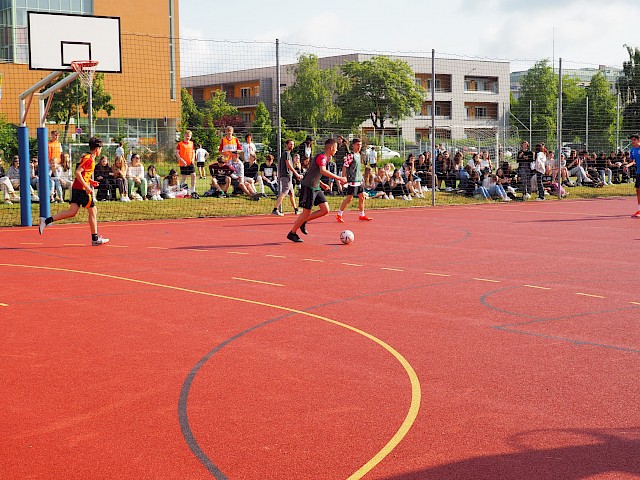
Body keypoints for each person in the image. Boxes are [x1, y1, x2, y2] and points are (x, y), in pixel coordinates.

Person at [38, 137, 109, 246]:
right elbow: (77, 172)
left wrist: (91, 181)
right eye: (100, 148)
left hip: (77, 188)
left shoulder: (88, 157)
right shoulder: (89, 158)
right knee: (93, 210)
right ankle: (95, 239)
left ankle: (46, 221)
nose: (101, 151)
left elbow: (83, 174)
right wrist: (86, 186)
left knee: (72, 212)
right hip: (81, 189)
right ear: (97, 149)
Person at [287, 138, 347, 243]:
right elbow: (322, 171)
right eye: (336, 148)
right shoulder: (321, 157)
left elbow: (314, 173)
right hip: (308, 187)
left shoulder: (325, 158)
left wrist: (322, 184)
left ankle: (304, 221)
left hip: (316, 186)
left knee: (325, 210)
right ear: (331, 148)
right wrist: (339, 178)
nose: (336, 150)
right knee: (306, 212)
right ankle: (292, 233)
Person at [336, 138, 372, 223]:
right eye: (357, 145)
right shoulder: (350, 156)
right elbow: (345, 166)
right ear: (353, 145)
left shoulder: (359, 155)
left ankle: (362, 215)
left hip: (358, 180)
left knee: (362, 197)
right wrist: (343, 178)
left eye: (360, 145)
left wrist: (361, 177)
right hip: (352, 180)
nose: (359, 146)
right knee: (349, 199)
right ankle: (339, 214)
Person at [273, 139, 302, 216]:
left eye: (293, 144)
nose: (292, 146)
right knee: (284, 192)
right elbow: (288, 165)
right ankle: (275, 209)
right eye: (290, 144)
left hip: (288, 176)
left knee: (292, 193)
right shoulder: (286, 153)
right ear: (286, 145)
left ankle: (296, 209)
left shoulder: (288, 154)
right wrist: (297, 174)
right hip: (286, 176)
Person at [176, 130, 196, 194]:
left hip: (190, 162)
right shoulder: (180, 144)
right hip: (183, 163)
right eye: (187, 136)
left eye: (189, 136)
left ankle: (193, 189)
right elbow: (177, 154)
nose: (188, 137)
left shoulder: (192, 143)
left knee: (193, 175)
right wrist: (182, 160)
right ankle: (180, 188)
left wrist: (193, 159)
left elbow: (193, 152)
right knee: (184, 177)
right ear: (184, 135)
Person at [629, 134, 640, 218]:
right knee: (638, 190)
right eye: (632, 140)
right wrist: (627, 165)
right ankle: (639, 209)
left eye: (634, 140)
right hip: (638, 172)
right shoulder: (632, 150)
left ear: (638, 140)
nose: (632, 141)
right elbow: (633, 161)